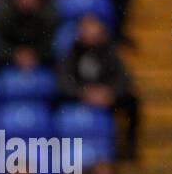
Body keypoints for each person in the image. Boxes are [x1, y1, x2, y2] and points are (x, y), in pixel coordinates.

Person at [57, 13, 139, 159]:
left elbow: (123, 79)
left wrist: (109, 92)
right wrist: (82, 93)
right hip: (79, 97)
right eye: (85, 28)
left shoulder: (109, 51)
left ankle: (128, 146)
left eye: (93, 27)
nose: (89, 32)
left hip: (105, 98)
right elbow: (63, 80)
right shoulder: (72, 52)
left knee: (132, 102)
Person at [0, 0, 58, 68]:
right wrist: (15, 54)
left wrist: (35, 54)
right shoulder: (3, 14)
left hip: (43, 62)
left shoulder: (48, 14)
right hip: (9, 63)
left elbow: (52, 42)